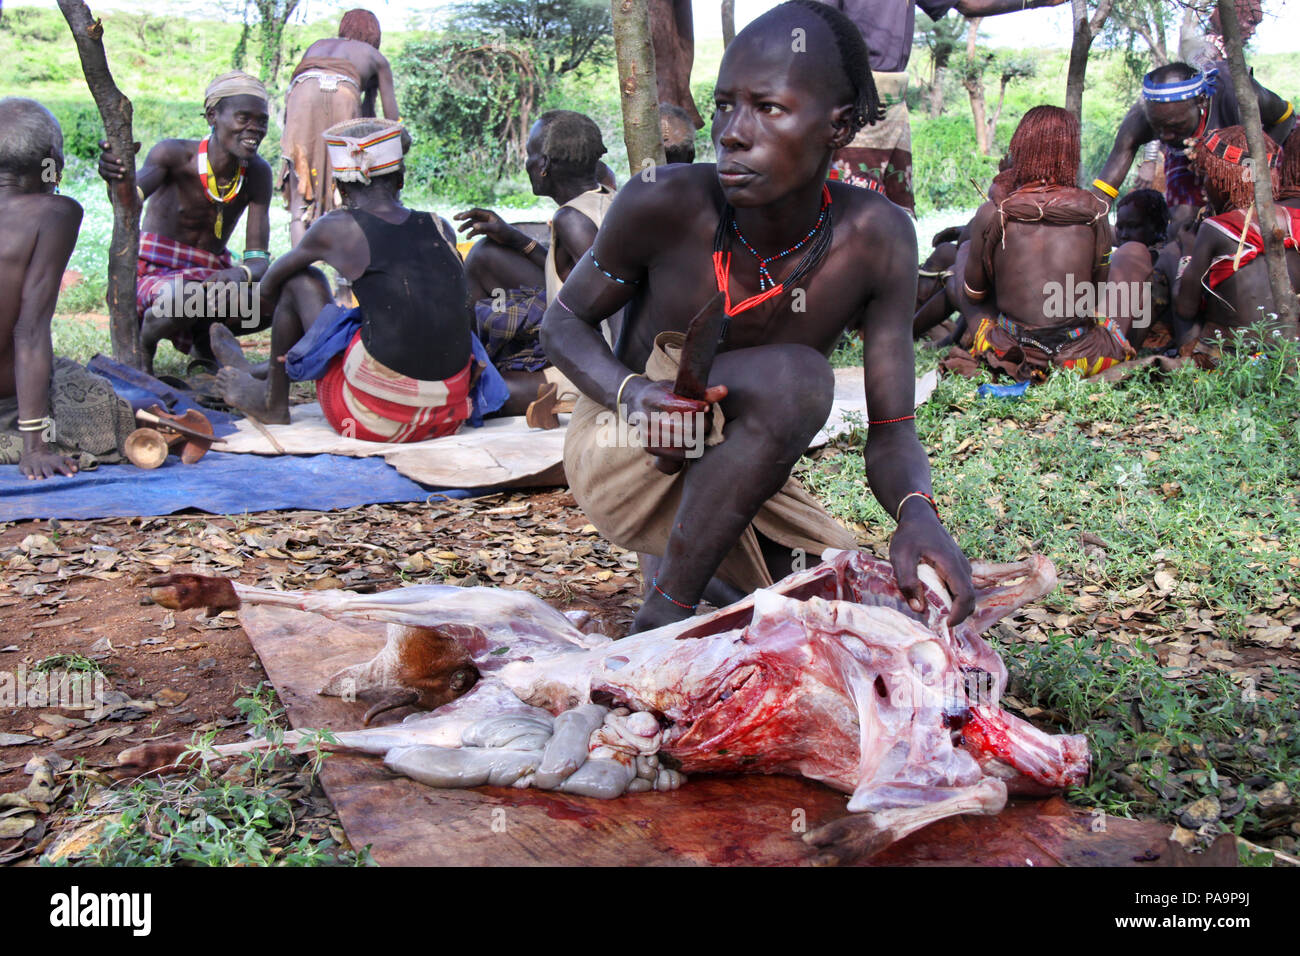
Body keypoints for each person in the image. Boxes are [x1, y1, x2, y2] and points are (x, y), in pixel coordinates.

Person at [542, 1, 974, 633]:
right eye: (724, 106)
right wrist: (634, 394)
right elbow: (562, 324)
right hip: (625, 446)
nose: (732, 133)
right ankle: (662, 613)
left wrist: (918, 515)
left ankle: (686, 564)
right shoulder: (662, 201)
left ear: (840, 125)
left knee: (846, 609)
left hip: (738, 476)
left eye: (767, 108)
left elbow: (892, 429)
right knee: (798, 378)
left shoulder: (877, 237)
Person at [212, 118, 484, 440]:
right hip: (448, 413)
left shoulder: (336, 227)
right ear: (401, 180)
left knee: (300, 281)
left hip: (375, 418)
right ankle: (259, 372)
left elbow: (270, 286)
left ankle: (273, 397)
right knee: (372, 317)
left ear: (341, 189)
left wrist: (215, 309)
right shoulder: (440, 227)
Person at [942, 106, 1137, 383]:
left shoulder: (995, 211)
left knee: (963, 252)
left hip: (1009, 353)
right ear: (1071, 154)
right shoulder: (1096, 211)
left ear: (1020, 148)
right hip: (1080, 358)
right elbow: (1094, 293)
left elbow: (974, 294)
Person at [97, 71, 273, 375]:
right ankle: (144, 346)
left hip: (210, 282)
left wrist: (239, 273)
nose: (254, 129)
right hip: (157, 277)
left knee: (274, 301)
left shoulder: (258, 174)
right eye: (244, 118)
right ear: (212, 116)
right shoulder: (173, 155)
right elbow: (128, 200)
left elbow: (258, 259)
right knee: (185, 297)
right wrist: (117, 178)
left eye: (262, 121)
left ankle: (203, 348)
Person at [817, 0, 1065, 212]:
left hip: (892, 97)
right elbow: (819, 24)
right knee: (850, 204)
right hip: (855, 95)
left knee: (891, 210)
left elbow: (966, 3)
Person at [1, 99, 135, 478]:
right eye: (55, 160)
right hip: (7, 390)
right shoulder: (54, 213)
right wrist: (36, 445)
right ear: (50, 162)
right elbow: (28, 330)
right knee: (97, 397)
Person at [455, 111, 617, 418]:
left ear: (542, 166)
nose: (526, 162)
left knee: (477, 394)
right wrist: (515, 238)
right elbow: (584, 276)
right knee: (485, 252)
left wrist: (622, 386)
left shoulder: (571, 220)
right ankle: (470, 357)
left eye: (530, 155)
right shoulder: (605, 197)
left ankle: (465, 365)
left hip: (591, 367)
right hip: (579, 340)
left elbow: (615, 305)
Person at [1091, 61, 1295, 224]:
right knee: (1182, 223)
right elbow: (1104, 191)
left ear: (1201, 102)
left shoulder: (1240, 97)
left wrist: (1250, 167)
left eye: (1175, 126)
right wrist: (1089, 218)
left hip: (1244, 155)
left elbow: (1286, 117)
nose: (1165, 136)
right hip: (1189, 155)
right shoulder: (1140, 120)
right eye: (1158, 127)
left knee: (1242, 218)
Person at [1173, 125, 1300, 365]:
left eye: (1209, 174)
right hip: (1289, 358)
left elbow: (1185, 308)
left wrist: (1186, 252)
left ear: (1226, 179)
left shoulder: (1215, 228)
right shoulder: (1295, 222)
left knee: (1175, 269)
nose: (1205, 184)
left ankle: (1186, 355)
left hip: (1231, 358)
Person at [281, 8, 399, 245]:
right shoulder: (375, 57)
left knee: (301, 192)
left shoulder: (318, 45)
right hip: (344, 94)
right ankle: (345, 275)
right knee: (347, 187)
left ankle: (300, 273)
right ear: (375, 35)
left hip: (300, 94)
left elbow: (299, 80)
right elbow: (391, 122)